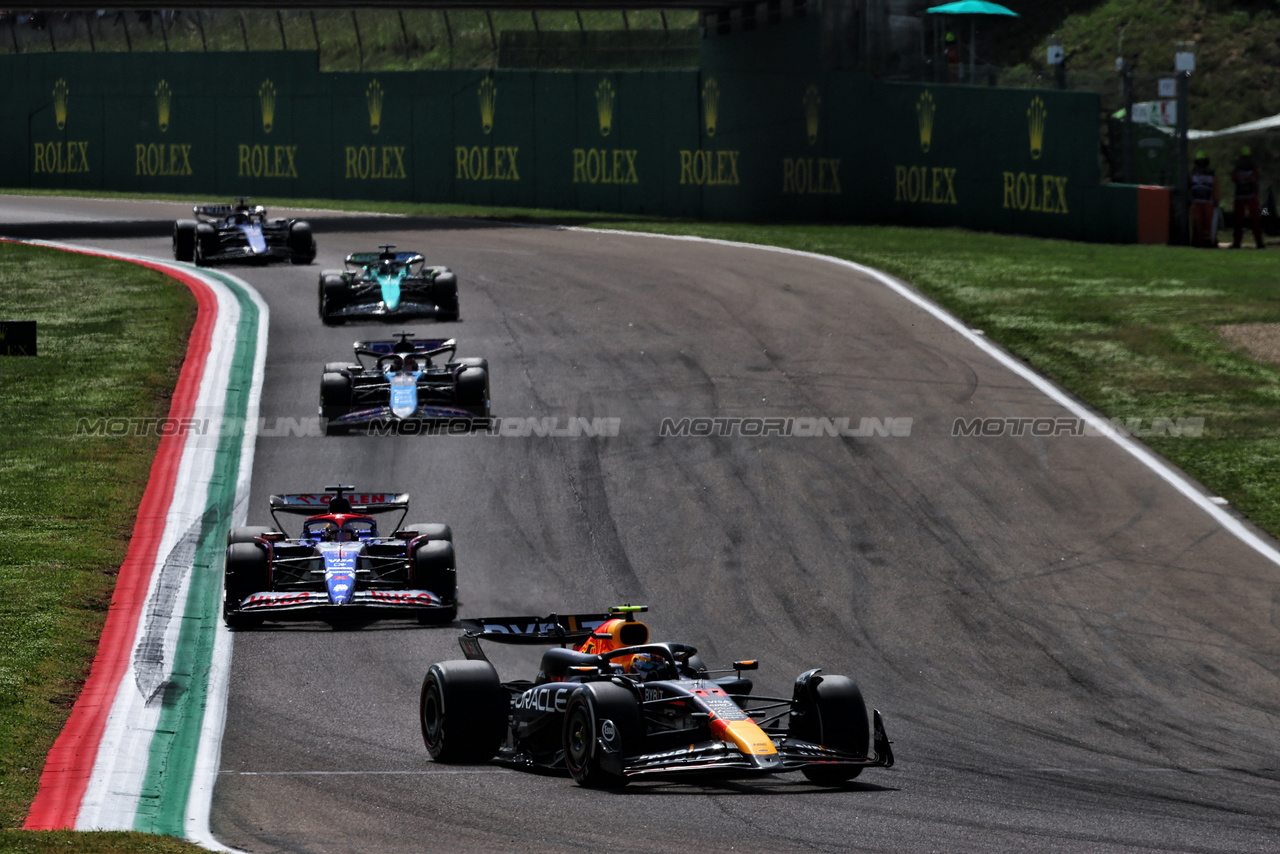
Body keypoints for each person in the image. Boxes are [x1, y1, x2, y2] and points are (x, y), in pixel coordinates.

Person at [1230, 145, 1265, 249]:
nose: (1245, 160)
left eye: (1246, 158)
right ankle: (1237, 242)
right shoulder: (1237, 167)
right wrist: (1245, 179)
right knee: (1238, 220)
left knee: (1255, 219)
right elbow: (1233, 176)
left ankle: (1259, 242)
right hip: (1239, 196)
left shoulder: (1254, 167)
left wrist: (1243, 179)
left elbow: (1254, 178)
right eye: (1243, 158)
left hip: (1251, 196)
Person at [1189, 151, 1219, 248]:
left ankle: (1211, 241)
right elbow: (1188, 185)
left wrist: (1216, 199)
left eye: (1203, 161)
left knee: (1209, 223)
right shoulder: (1192, 173)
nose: (1201, 163)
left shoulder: (1212, 173)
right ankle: (1199, 242)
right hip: (1196, 201)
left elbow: (1216, 186)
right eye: (1199, 161)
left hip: (1208, 201)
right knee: (1198, 223)